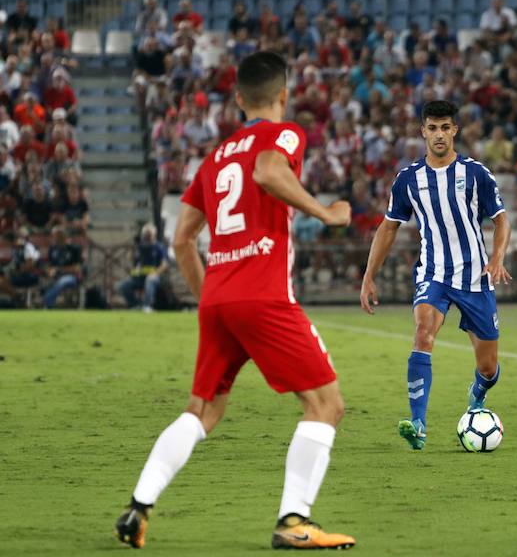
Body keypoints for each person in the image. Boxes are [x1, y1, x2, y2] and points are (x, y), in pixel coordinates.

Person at [114, 51, 355, 550]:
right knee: (325, 404)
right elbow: (269, 172)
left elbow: (181, 240)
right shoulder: (282, 134)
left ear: (239, 100)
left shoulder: (215, 156)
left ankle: (138, 508)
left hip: (218, 296)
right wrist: (326, 213)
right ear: (284, 96)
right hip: (263, 294)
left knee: (202, 410)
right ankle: (294, 521)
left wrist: (213, 299)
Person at [359, 100, 512, 451]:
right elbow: (387, 229)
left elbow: (501, 219)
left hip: (475, 279)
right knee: (423, 332)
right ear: (422, 131)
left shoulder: (475, 174)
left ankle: (477, 397)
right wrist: (369, 275)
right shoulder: (409, 180)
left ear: (455, 130)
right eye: (432, 128)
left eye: (445, 127)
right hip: (434, 274)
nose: (439, 134)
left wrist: (497, 257)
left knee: (488, 367)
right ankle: (418, 424)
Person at [42, 226, 83, 308]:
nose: (54, 238)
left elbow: (77, 268)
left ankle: (45, 300)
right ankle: (48, 305)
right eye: (53, 235)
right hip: (55, 277)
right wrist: (49, 271)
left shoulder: (74, 248)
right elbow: (49, 266)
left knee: (63, 281)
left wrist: (59, 269)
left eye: (57, 235)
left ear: (64, 236)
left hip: (71, 277)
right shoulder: (52, 249)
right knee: (43, 282)